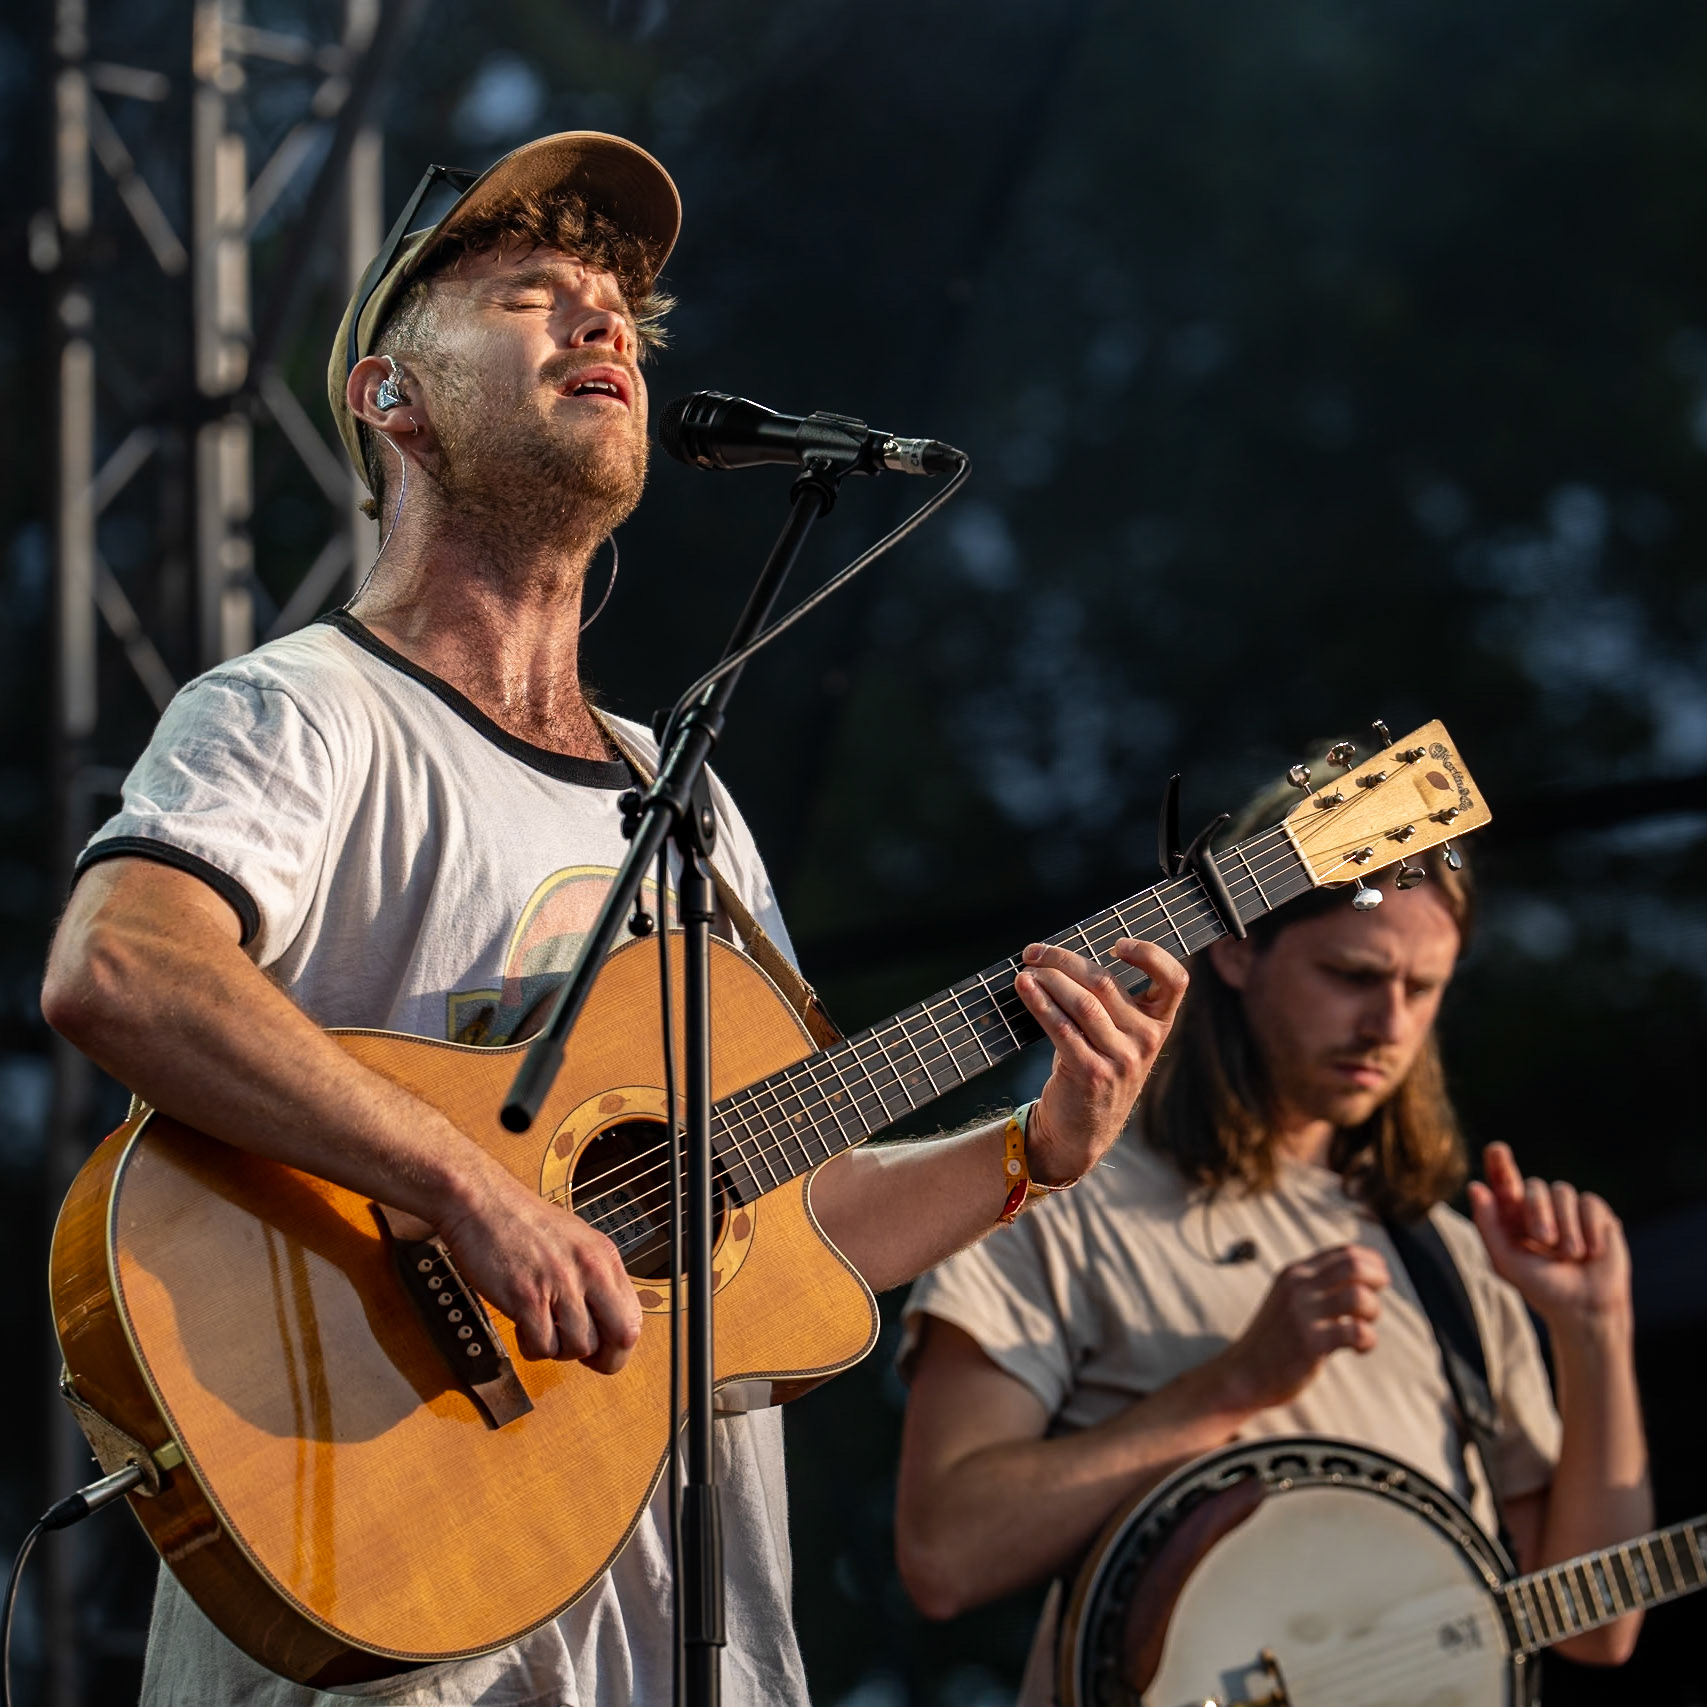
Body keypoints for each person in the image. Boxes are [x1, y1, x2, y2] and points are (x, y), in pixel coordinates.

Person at [40, 132, 1187, 1706]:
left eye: (619, 314)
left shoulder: (681, 794)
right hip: (388, 1607)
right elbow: (121, 964)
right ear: (391, 397)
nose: (600, 324)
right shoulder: (301, 708)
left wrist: (1025, 1154)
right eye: (530, 296)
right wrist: (471, 1190)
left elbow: (783, 1229)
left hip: (683, 1646)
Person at [896, 785, 1652, 1704]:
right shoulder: (1049, 1189)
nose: (1389, 1024)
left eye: (1421, 989)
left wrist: (1594, 1330)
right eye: (1352, 974)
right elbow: (944, 1554)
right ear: (1237, 947)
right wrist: (1234, 1386)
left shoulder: (1454, 1266)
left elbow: (1596, 1628)